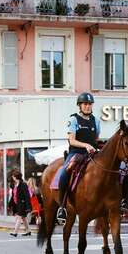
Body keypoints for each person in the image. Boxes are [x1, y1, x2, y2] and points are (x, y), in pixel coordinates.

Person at [56, 92, 101, 223]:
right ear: (79, 106)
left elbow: (96, 139)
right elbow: (72, 140)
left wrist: (95, 146)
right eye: (85, 104)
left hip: (92, 154)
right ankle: (62, 207)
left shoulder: (96, 121)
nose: (87, 106)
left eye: (89, 104)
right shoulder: (73, 119)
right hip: (76, 153)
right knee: (64, 173)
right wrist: (86, 145)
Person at [9, 171, 32, 237]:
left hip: (22, 204)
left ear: (16, 177)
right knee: (24, 218)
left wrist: (28, 206)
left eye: (13, 176)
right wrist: (10, 203)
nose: (12, 177)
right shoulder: (15, 185)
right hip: (17, 204)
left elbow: (27, 196)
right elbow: (14, 195)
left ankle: (15, 232)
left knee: (19, 217)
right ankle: (28, 231)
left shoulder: (23, 184)